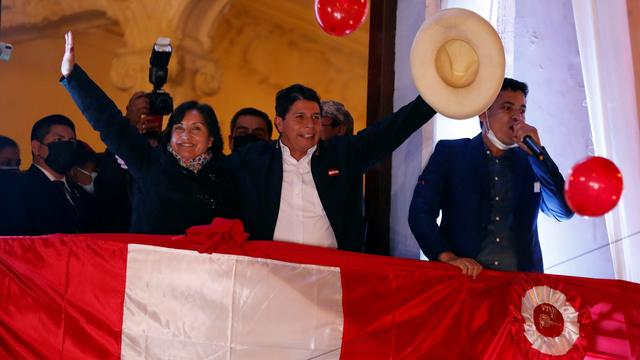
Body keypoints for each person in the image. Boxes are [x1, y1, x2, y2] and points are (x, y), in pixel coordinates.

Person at [60, 32, 237, 234]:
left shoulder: (227, 175)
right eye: (179, 128)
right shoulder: (152, 164)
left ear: (211, 139)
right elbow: (111, 123)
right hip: (152, 263)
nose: (186, 135)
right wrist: (72, 75)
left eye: (196, 128)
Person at [226, 83, 437, 252]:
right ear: (279, 123)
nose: (310, 125)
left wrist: (438, 95)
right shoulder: (253, 159)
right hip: (269, 274)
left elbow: (391, 129)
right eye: (300, 117)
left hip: (331, 278)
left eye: (316, 117)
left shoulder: (342, 154)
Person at [408, 78, 574, 277]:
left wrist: (539, 155)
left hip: (520, 289)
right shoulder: (452, 153)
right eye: (507, 108)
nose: (517, 118)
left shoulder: (532, 162)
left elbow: (563, 211)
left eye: (522, 110)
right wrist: (448, 258)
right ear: (483, 113)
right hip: (466, 282)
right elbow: (420, 213)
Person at [10, 114, 97, 235]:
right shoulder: (17, 190)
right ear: (36, 148)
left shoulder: (81, 194)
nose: (67, 147)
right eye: (58, 140)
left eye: (71, 141)